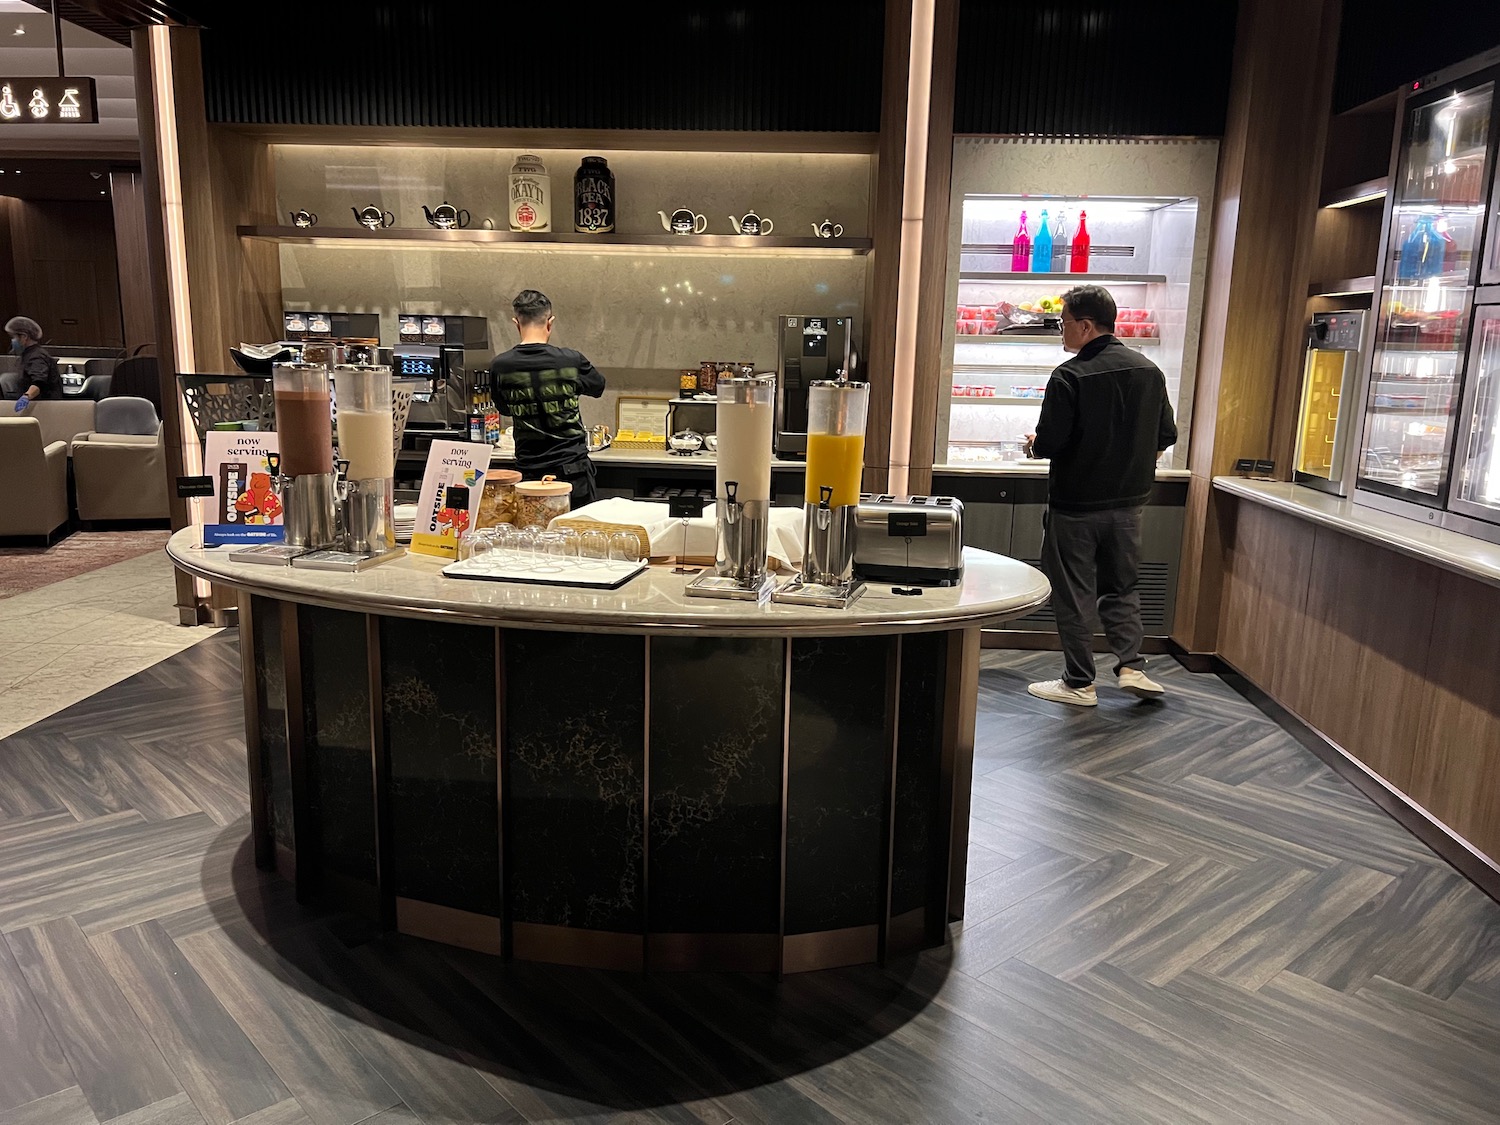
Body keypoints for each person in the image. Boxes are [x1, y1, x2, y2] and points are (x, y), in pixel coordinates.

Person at [1023, 284, 1177, 707]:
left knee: (1074, 592)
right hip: (1129, 506)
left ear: (1085, 325)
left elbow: (1051, 443)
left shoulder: (1068, 375)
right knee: (1122, 587)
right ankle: (1131, 666)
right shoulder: (1149, 370)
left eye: (1064, 322)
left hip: (1075, 508)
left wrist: (1033, 444)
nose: (1061, 331)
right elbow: (1166, 435)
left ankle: (1078, 682)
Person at [488, 290, 606, 508]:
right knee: (577, 535)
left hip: (528, 474)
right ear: (550, 322)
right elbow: (598, 387)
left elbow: (504, 408)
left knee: (532, 536)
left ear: (516, 323)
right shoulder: (571, 360)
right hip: (572, 470)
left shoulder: (500, 366)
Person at [6, 316, 63, 410]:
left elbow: (38, 382)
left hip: (46, 408)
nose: (12, 341)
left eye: (14, 337)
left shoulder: (37, 356)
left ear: (24, 337)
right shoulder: (28, 354)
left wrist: (26, 397)